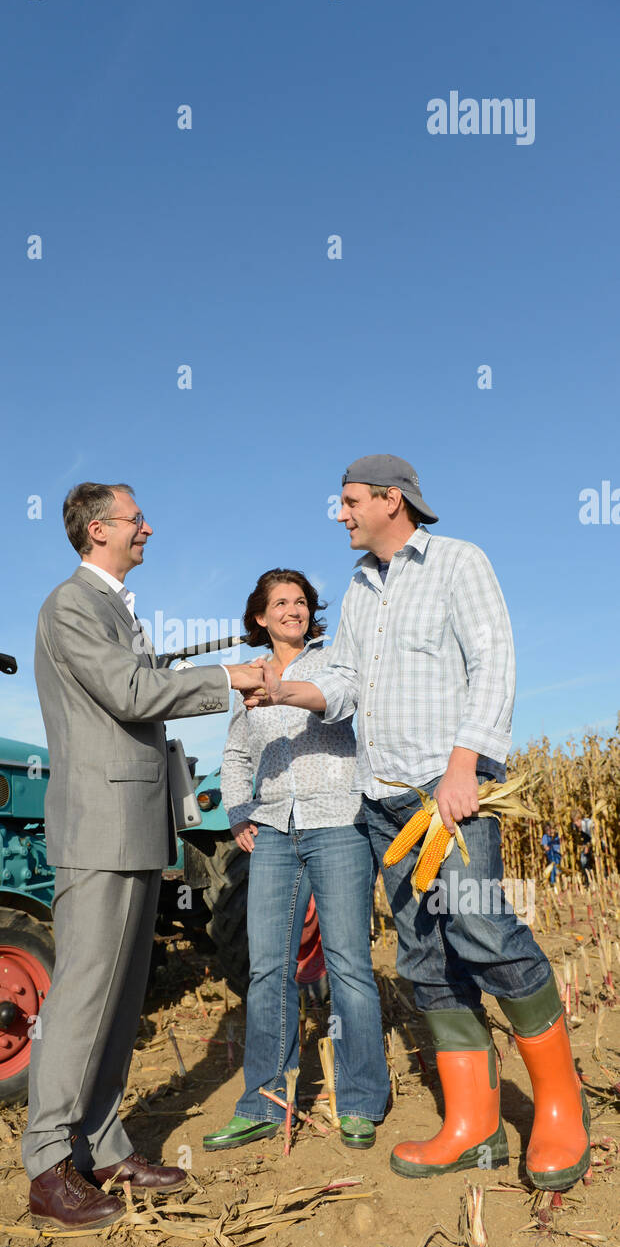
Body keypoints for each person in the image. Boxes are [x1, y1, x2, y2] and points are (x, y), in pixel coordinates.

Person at [250, 456, 589, 1191]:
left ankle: (560, 1109)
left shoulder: (458, 563)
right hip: (384, 800)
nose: (339, 514)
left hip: (448, 787)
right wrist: (290, 688)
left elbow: (494, 661)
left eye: (347, 502)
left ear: (388, 500)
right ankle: (473, 1125)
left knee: (485, 932)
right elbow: (341, 682)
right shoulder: (360, 587)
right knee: (423, 957)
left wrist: (466, 764)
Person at [22, 481, 262, 1231]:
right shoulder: (72, 605)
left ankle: (101, 1144)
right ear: (99, 530)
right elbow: (130, 691)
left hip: (130, 824)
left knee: (120, 999)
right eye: (137, 519)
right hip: (99, 825)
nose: (149, 528)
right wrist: (228, 678)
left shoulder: (114, 606)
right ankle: (49, 1163)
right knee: (84, 995)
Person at [203, 570, 389, 1152]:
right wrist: (240, 814)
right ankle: (264, 1100)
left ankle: (359, 1100)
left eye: (301, 602)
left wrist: (282, 691)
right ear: (259, 616)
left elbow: (337, 704)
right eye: (280, 602)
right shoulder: (247, 678)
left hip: (337, 822)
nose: (293, 609)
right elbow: (236, 753)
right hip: (276, 831)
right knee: (266, 969)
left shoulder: (332, 660)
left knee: (348, 964)